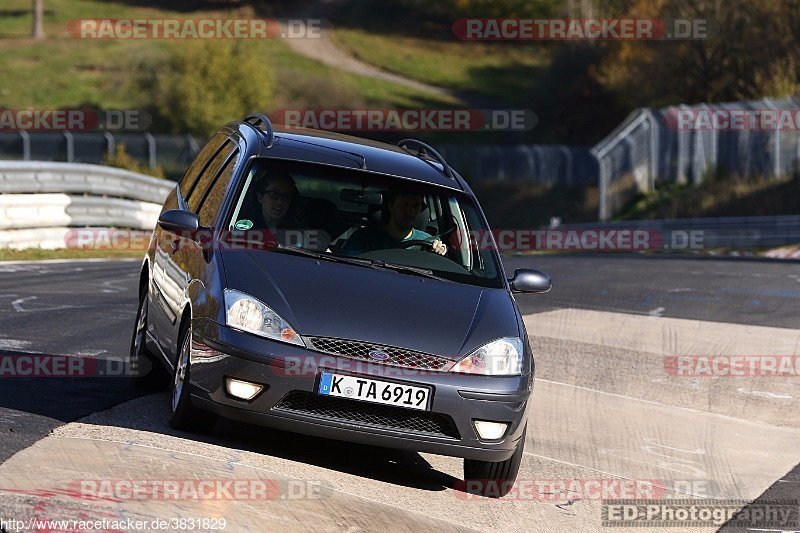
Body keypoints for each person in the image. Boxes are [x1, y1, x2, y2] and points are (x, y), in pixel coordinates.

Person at [343, 187, 447, 256]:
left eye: (416, 205)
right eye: (403, 205)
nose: (410, 211)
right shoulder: (363, 238)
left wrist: (439, 255)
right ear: (391, 206)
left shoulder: (430, 243)